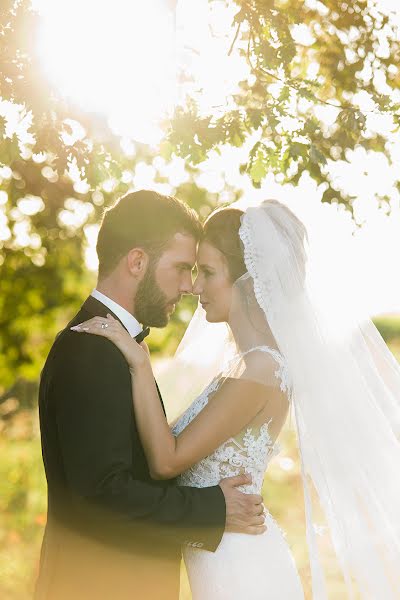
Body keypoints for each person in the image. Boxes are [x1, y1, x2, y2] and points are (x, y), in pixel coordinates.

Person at [75, 199, 400, 599]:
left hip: (241, 568)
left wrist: (140, 367)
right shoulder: (242, 366)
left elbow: (166, 461)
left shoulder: (261, 370)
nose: (194, 287)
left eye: (208, 273)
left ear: (248, 282)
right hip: (220, 557)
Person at [35, 190, 265, 600]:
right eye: (180, 268)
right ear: (137, 261)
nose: (189, 285)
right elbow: (101, 493)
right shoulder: (90, 349)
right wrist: (213, 510)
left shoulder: (118, 345)